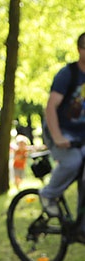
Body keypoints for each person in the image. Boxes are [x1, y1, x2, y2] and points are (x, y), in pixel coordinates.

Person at [41, 32, 85, 230]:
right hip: (58, 131)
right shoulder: (68, 74)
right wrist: (57, 137)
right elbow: (51, 107)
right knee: (73, 161)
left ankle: (81, 227)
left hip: (81, 134)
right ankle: (48, 194)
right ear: (79, 50)